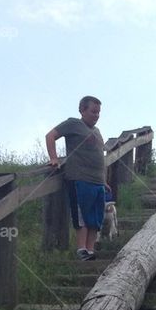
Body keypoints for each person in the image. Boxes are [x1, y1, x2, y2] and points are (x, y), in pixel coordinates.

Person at [45, 96, 107, 260]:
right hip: (80, 178)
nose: (96, 115)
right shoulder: (73, 124)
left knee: (96, 217)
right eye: (93, 111)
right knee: (82, 215)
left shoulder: (97, 131)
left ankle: (91, 250)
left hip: (98, 181)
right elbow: (50, 136)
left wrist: (105, 181)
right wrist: (54, 158)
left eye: (98, 112)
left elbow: (99, 156)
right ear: (82, 110)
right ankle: (81, 250)